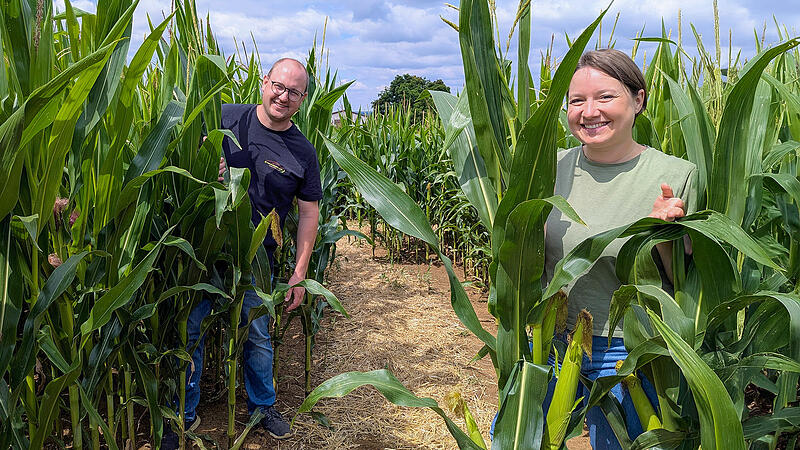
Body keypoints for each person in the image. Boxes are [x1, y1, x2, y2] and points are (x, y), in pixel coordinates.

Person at [542, 48, 697, 448]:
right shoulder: (547, 168)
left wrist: (661, 232)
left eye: (605, 97)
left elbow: (684, 278)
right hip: (552, 340)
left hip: (628, 350)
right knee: (521, 439)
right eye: (577, 101)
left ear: (638, 99)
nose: (589, 111)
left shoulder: (675, 176)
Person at [163, 57, 321, 447]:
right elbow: (169, 150)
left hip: (257, 259)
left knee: (257, 335)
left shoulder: (303, 152)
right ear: (264, 82)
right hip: (205, 251)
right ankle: (182, 414)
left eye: (294, 92)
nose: (283, 97)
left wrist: (299, 273)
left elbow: (308, 213)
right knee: (192, 329)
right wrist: (201, 161)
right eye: (278, 86)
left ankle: (262, 406)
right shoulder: (221, 117)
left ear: (302, 100)